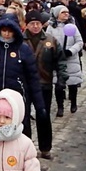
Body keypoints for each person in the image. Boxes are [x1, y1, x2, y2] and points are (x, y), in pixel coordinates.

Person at [0, 14, 46, 139]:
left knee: (20, 133)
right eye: (4, 30)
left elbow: (33, 78)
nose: (7, 34)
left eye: (10, 31)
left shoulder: (24, 50)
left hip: (18, 99)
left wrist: (39, 105)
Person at [23, 10, 66, 159]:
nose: (35, 26)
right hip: (25, 85)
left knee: (43, 115)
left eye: (38, 23)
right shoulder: (20, 41)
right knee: (24, 117)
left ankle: (45, 147)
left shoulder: (50, 40)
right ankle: (26, 148)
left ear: (42, 24)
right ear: (26, 25)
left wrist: (61, 79)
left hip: (44, 83)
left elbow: (60, 61)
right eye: (32, 23)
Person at [45, 5, 84, 115]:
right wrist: (53, 52)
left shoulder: (72, 27)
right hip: (57, 59)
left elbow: (79, 42)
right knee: (58, 85)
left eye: (67, 12)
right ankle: (60, 106)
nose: (66, 14)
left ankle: (73, 103)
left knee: (72, 83)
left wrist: (71, 51)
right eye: (63, 12)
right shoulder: (51, 27)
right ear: (57, 14)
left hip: (71, 59)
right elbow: (47, 41)